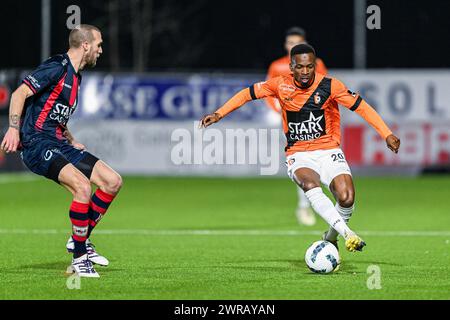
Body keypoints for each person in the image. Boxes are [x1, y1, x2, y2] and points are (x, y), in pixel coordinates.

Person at [200, 43, 400, 252]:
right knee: (309, 184)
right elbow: (246, 94)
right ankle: (348, 234)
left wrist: (386, 133)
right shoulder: (279, 85)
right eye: (300, 67)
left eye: (310, 67)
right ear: (291, 67)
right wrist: (219, 113)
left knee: (346, 198)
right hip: (299, 154)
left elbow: (362, 108)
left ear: (315, 66)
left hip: (328, 151)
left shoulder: (331, 86)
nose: (305, 72)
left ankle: (330, 237)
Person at [0, 25, 122, 277]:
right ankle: (79, 257)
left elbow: (56, 113)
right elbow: (19, 93)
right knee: (82, 188)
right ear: (85, 45)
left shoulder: (77, 76)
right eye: (98, 44)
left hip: (59, 143)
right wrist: (13, 129)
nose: (100, 50)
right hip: (36, 143)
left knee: (112, 181)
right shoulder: (57, 66)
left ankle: (79, 238)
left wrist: (71, 138)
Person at [266, 27, 328, 227]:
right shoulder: (277, 66)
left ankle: (309, 203)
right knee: (301, 162)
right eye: (290, 42)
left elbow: (324, 88)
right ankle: (305, 205)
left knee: (314, 163)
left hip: (311, 119)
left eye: (297, 42)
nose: (293, 45)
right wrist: (279, 109)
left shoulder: (316, 64)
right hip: (288, 120)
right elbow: (268, 92)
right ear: (285, 45)